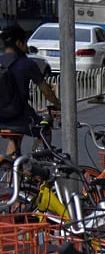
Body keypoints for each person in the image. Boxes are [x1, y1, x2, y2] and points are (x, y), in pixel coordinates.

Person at [0, 25, 60, 157]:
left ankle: (10, 165)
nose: (27, 46)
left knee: (14, 138)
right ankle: (36, 162)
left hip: (1, 117)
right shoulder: (27, 64)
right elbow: (46, 91)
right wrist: (58, 105)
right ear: (18, 43)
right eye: (25, 42)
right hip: (20, 115)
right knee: (44, 130)